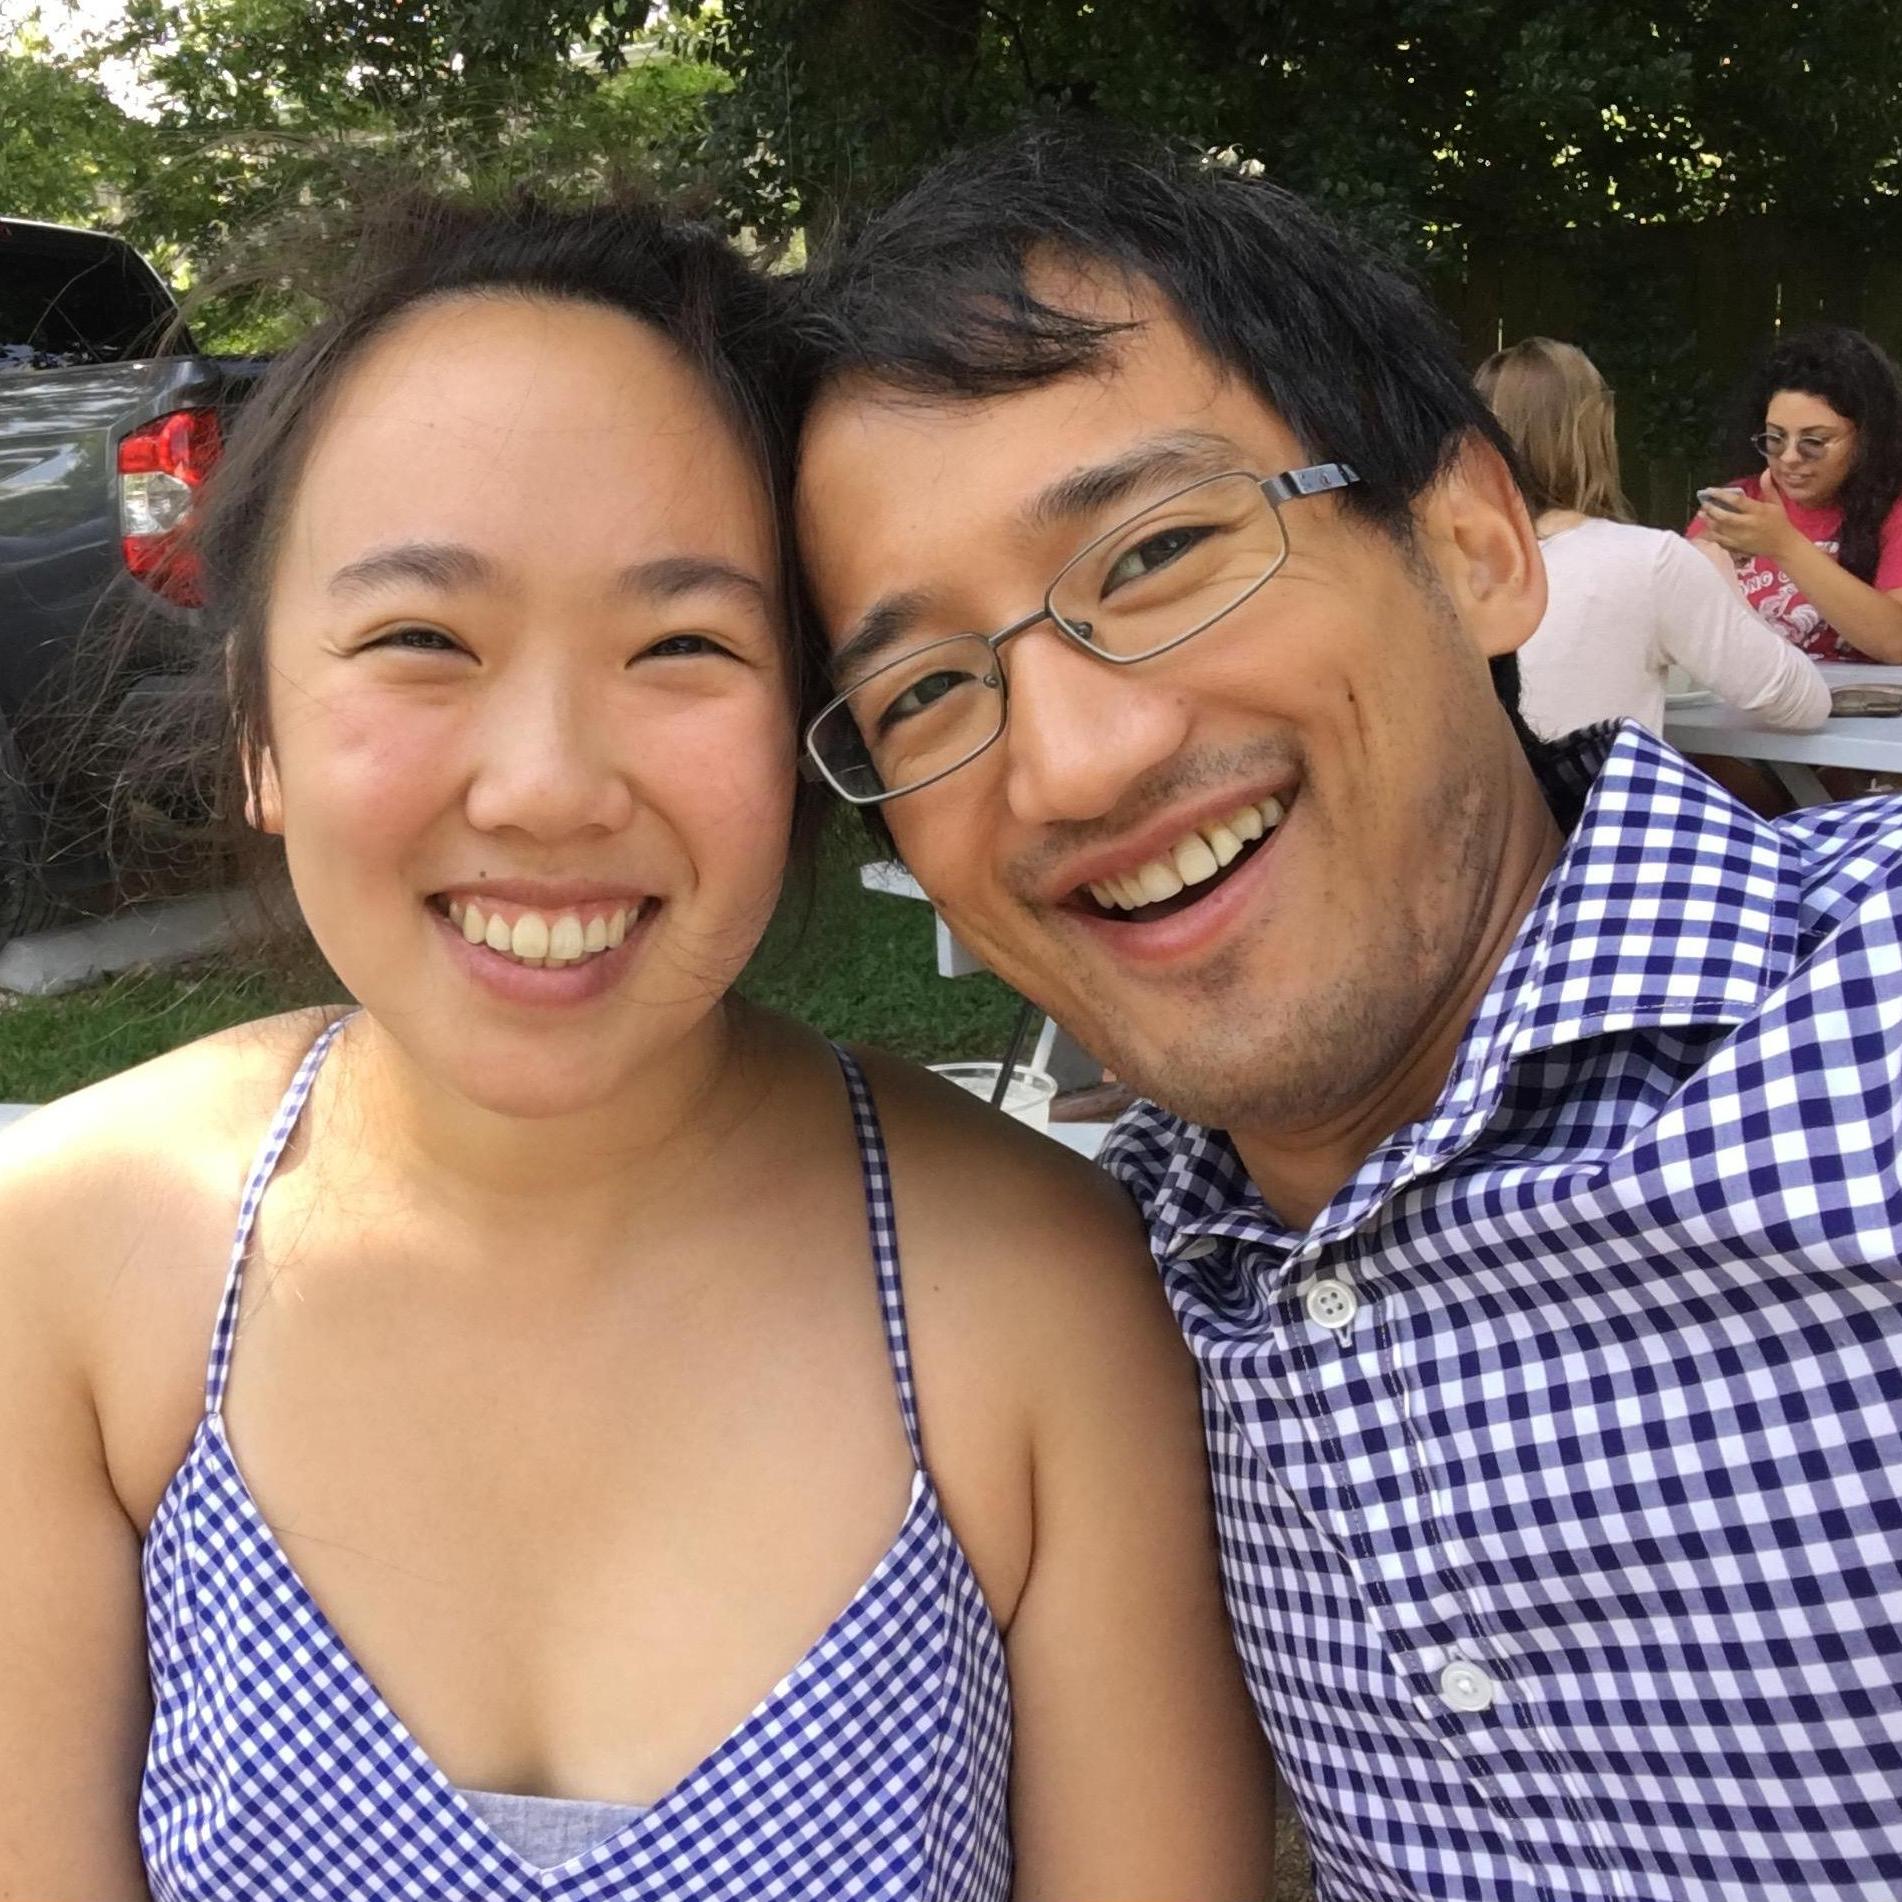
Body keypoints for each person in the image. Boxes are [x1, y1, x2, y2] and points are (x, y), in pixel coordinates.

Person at [0, 193, 1274, 1901]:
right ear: (260, 728)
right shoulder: (74, 1259)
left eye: (683, 644)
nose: (544, 785)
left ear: (808, 728)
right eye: (419, 639)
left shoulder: (1040, 1294)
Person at [792, 123, 1902, 1902]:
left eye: (1155, 554)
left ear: (1470, 541)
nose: (1072, 762)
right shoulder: (1094, 1294)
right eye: (924, 690)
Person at [1476, 336, 1827, 737]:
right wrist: (1722, 579)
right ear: (1594, 429)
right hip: (1592, 798)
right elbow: (1803, 703)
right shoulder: (1649, 560)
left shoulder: (1437, 565)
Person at [1689, 323, 1902, 663]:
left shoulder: (1894, 511)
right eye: (1774, 438)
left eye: (1814, 442)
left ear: (1867, 439)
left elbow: (1897, 642)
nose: (1789, 457)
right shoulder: (1741, 500)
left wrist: (1784, 545)